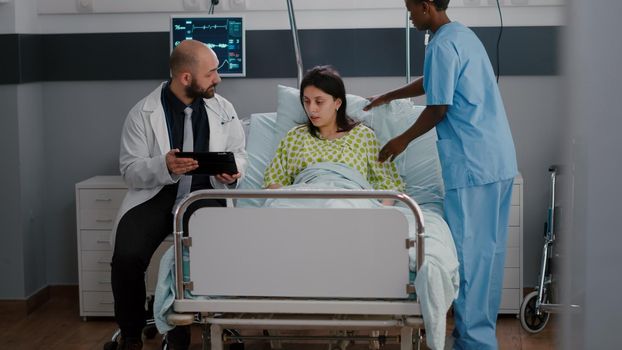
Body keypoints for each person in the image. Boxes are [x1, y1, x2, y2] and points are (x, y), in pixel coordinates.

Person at [364, 1, 518, 349]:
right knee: (489, 255)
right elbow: (435, 81)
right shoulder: (461, 36)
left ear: (427, 6)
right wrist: (390, 95)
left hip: (473, 164)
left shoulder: (441, 44)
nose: (409, 15)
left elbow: (439, 107)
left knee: (472, 256)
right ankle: (480, 337)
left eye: (411, 9)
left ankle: (473, 342)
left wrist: (401, 140)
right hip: (498, 159)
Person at [111, 40, 247, 350]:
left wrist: (232, 172)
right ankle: (131, 335)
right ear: (186, 77)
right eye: (211, 73)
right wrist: (165, 166)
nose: (218, 79)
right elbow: (130, 171)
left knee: (212, 255)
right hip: (157, 194)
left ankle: (192, 330)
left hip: (204, 196)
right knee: (127, 257)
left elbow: (239, 152)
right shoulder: (142, 113)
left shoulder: (223, 109)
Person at [263, 65, 404, 198]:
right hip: (304, 206)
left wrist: (379, 212)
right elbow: (275, 181)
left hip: (349, 205)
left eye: (319, 102)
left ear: (337, 103)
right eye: (306, 101)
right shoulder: (295, 136)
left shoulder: (363, 136)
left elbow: (387, 184)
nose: (311, 109)